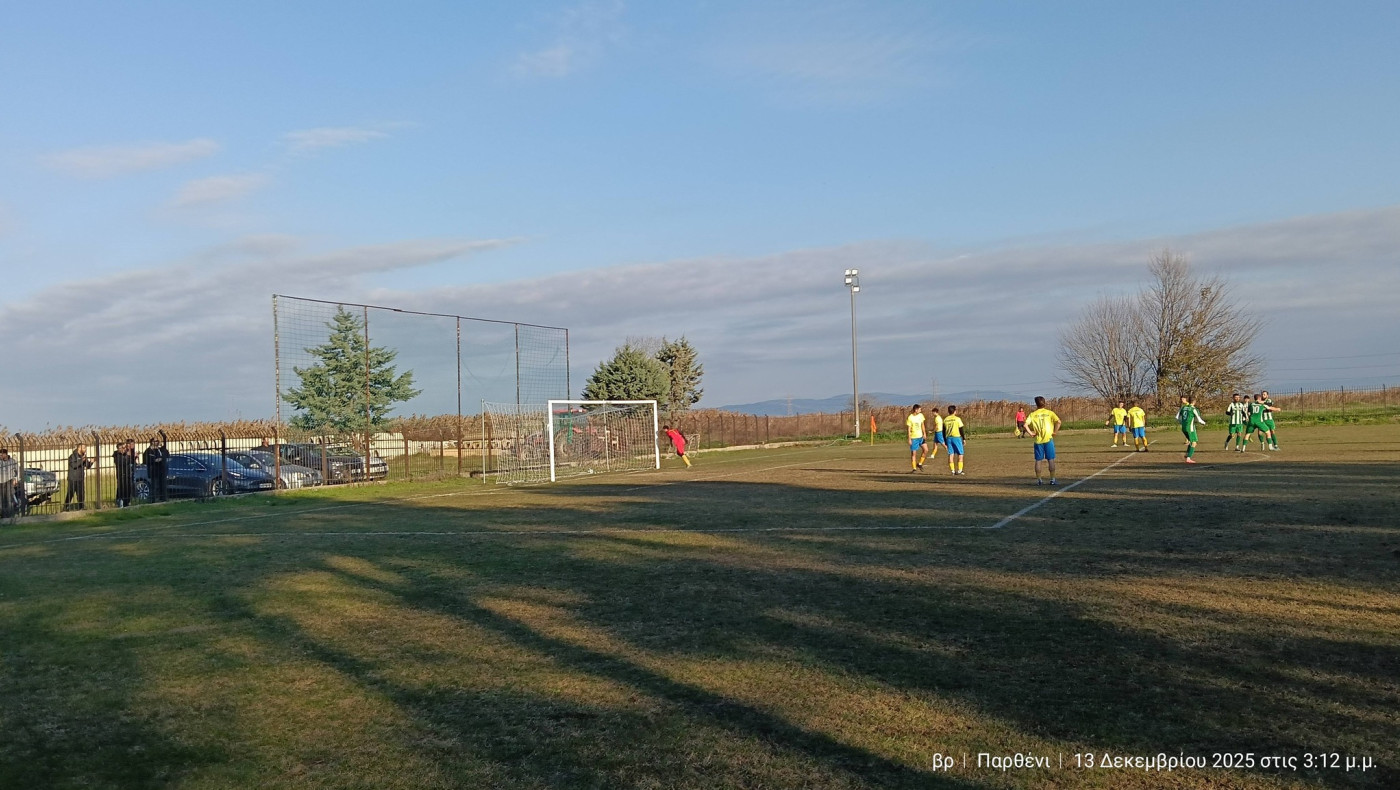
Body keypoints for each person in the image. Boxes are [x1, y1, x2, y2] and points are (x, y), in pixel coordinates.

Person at [1025, 396, 1062, 485]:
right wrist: (1055, 432)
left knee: (1038, 460)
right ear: (1044, 403)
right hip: (1048, 439)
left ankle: (1039, 480)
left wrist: (1031, 433)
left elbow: (1025, 425)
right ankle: (1052, 479)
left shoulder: (1033, 414)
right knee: (1051, 460)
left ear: (1036, 404)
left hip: (1038, 441)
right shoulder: (1049, 413)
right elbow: (1059, 422)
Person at [1175, 396, 1206, 464]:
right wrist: (1204, 423)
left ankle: (1187, 454)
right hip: (1190, 428)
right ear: (1194, 402)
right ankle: (1188, 458)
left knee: (1190, 441)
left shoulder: (1183, 408)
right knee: (1194, 442)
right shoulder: (1193, 409)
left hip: (1184, 428)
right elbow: (1199, 419)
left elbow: (1177, 417)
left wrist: (1182, 422)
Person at [64, 444, 94, 510]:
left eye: (85, 448)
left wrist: (91, 462)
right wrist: (81, 461)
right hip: (73, 478)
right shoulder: (72, 456)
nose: (85, 449)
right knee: (70, 493)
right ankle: (66, 507)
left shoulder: (83, 456)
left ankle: (81, 507)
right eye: (84, 448)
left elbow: (87, 466)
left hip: (80, 478)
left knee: (81, 494)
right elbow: (74, 465)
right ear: (79, 448)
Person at [143, 438, 170, 502]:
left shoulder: (160, 450)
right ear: (152, 442)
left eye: (157, 441)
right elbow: (145, 460)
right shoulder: (148, 451)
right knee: (154, 485)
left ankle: (163, 498)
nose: (157, 442)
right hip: (153, 470)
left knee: (162, 485)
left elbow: (167, 454)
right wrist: (154, 460)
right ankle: (153, 499)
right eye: (155, 441)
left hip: (161, 469)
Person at [942, 405, 966, 475]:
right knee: (960, 454)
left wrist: (945, 441)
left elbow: (943, 431)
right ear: (955, 411)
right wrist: (964, 438)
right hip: (956, 438)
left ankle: (952, 470)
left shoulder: (945, 419)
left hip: (948, 438)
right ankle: (960, 470)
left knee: (951, 454)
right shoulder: (957, 419)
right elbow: (961, 429)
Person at [113, 439, 137, 507]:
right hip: (121, 474)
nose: (124, 449)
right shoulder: (117, 454)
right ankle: (120, 501)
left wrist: (134, 457)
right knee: (121, 489)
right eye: (122, 448)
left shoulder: (127, 454)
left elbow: (131, 462)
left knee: (128, 488)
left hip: (128, 473)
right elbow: (122, 462)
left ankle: (127, 502)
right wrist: (129, 456)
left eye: (124, 448)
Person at [905, 404, 927, 472]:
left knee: (926, 450)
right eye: (920, 409)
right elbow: (909, 429)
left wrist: (924, 433)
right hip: (914, 438)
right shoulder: (910, 417)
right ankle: (914, 468)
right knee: (914, 453)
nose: (921, 410)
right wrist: (909, 438)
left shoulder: (921, 415)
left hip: (920, 437)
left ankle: (920, 464)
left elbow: (922, 424)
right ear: (916, 410)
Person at [0, 447, 18, 521]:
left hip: (9, 481)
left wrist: (15, 479)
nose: (0, 456)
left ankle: (9, 515)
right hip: (0, 482)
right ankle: (3, 515)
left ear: (5, 454)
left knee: (8, 498)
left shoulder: (12, 461)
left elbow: (18, 471)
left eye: (1, 455)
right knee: (1, 499)